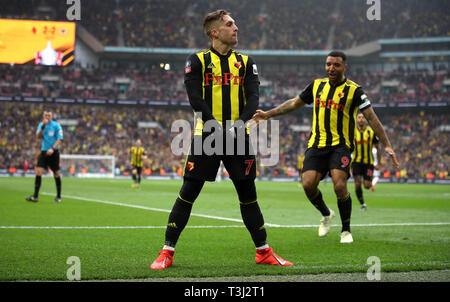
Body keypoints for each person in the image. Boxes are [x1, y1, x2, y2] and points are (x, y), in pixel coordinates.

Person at [150, 9, 292, 270]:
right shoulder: (197, 60)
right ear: (214, 32)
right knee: (188, 192)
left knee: (248, 194)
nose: (236, 28)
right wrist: (215, 126)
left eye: (235, 23)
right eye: (229, 24)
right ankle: (167, 252)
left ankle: (263, 251)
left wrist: (238, 126)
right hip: (206, 135)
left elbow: (253, 99)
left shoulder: (246, 62)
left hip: (238, 136)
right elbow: (195, 99)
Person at [252, 51, 399, 243]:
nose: (331, 68)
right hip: (317, 144)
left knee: (339, 184)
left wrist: (387, 144)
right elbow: (295, 103)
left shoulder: (355, 91)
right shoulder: (316, 86)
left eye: (336, 65)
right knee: (307, 185)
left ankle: (346, 230)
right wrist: (268, 114)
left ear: (344, 67)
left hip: (341, 145)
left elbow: (371, 116)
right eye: (328, 64)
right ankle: (326, 213)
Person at [26, 110, 63, 203]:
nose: (47, 116)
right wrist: (43, 126)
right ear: (43, 116)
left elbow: (59, 139)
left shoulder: (56, 125)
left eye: (49, 115)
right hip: (44, 152)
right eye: (46, 115)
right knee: (38, 172)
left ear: (52, 116)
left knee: (56, 174)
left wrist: (52, 148)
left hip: (54, 152)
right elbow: (38, 137)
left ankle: (58, 197)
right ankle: (35, 197)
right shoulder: (41, 125)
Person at [351, 112, 382, 211]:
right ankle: (362, 204)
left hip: (369, 163)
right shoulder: (352, 132)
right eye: (359, 117)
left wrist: (379, 163)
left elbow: (378, 148)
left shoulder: (371, 132)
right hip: (356, 162)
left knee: (367, 186)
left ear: (366, 120)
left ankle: (368, 181)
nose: (361, 119)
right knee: (357, 183)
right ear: (356, 119)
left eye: (363, 117)